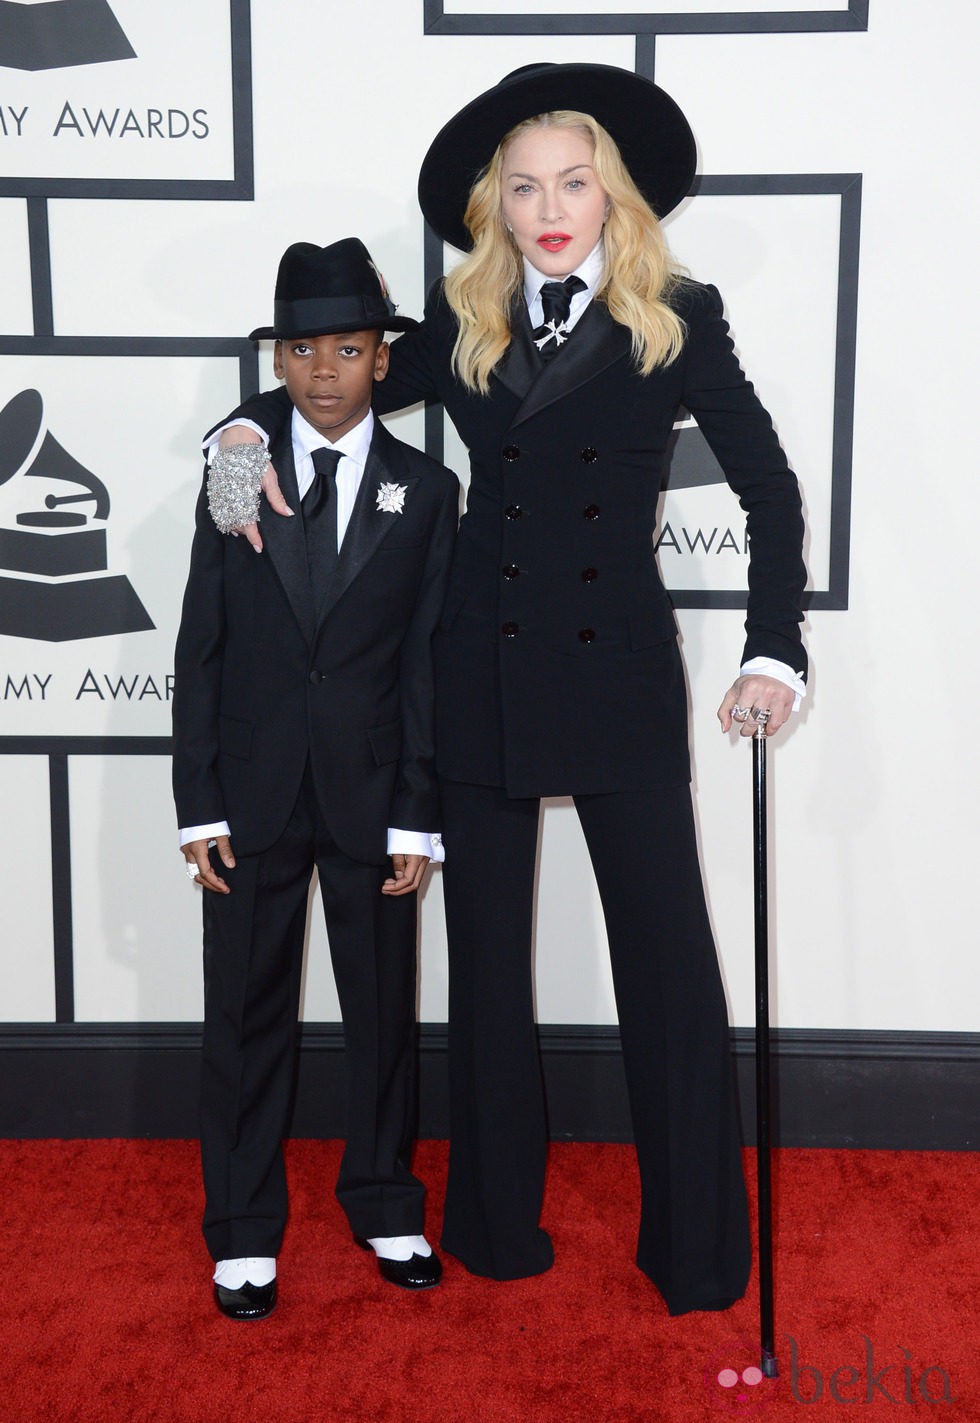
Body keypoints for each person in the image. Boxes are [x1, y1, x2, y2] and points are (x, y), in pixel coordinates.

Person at [203, 63, 807, 1317]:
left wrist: (770, 647)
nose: (548, 206)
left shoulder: (674, 312)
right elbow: (334, 377)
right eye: (522, 184)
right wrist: (241, 434)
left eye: (571, 182)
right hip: (475, 666)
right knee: (482, 967)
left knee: (669, 967)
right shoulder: (462, 311)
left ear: (610, 196)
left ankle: (694, 1250)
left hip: (616, 670)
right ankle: (488, 1225)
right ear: (492, 201)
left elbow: (768, 487)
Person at [172, 237, 459, 1320]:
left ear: (383, 359)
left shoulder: (427, 492)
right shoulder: (236, 467)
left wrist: (417, 814)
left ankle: (386, 1195)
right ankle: (242, 1228)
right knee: (242, 1015)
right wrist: (195, 798)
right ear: (278, 361)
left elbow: (425, 657)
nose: (325, 370)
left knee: (383, 1008)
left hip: (373, 795)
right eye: (301, 349)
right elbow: (201, 642)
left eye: (347, 347)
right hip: (246, 797)